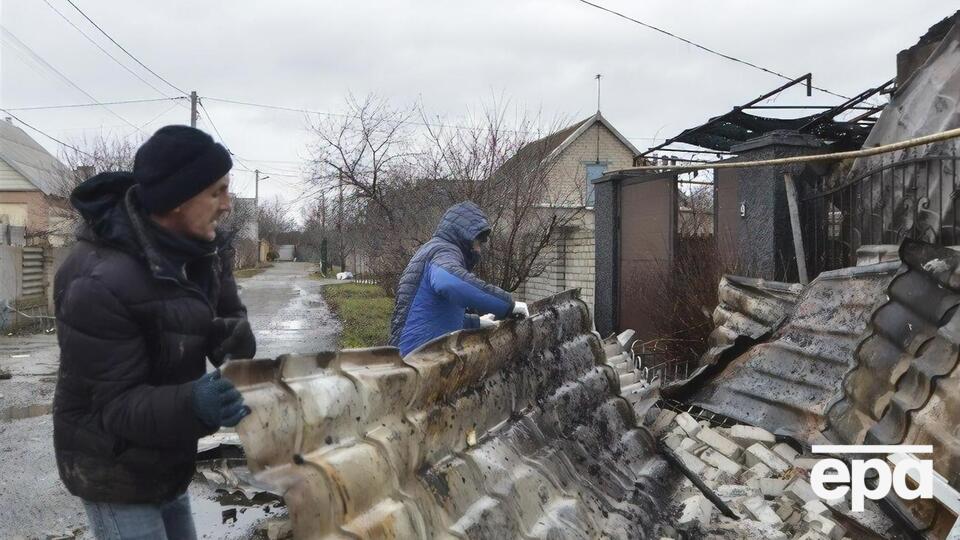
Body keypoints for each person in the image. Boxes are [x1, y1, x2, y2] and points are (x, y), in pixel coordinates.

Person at [53, 125, 257, 539]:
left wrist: (233, 339)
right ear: (179, 200)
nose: (227, 205)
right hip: (111, 465)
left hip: (166, 452)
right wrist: (196, 403)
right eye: (216, 192)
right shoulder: (97, 281)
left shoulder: (204, 251)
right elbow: (113, 407)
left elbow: (230, 316)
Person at [390, 201, 528, 356]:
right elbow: (450, 283)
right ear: (466, 237)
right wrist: (507, 305)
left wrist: (476, 323)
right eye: (478, 243)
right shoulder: (443, 251)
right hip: (415, 359)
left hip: (416, 353)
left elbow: (433, 313)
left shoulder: (434, 249)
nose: (478, 250)